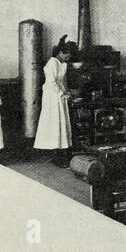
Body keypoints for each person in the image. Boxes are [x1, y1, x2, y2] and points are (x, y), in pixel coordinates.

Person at [34, 35, 75, 167]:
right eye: (67, 55)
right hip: (52, 97)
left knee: (61, 125)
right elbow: (52, 82)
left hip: (59, 96)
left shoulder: (61, 63)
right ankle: (57, 157)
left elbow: (62, 80)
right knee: (55, 126)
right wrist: (63, 93)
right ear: (60, 53)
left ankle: (62, 155)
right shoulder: (52, 63)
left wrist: (67, 92)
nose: (69, 58)